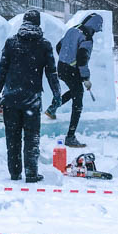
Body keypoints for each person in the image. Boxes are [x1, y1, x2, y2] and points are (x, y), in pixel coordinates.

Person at [0, 10, 62, 183]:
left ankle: (14, 173)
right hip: (32, 99)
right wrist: (57, 94)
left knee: (12, 138)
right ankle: (31, 173)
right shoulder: (44, 45)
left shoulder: (11, 43)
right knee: (32, 138)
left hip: (11, 98)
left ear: (23, 22)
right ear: (38, 24)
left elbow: (2, 70)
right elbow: (52, 72)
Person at [44, 13, 103, 148]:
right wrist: (86, 78)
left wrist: (66, 58)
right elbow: (83, 59)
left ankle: (52, 108)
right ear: (94, 27)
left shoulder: (73, 29)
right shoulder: (87, 37)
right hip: (72, 70)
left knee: (75, 90)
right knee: (78, 100)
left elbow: (59, 46)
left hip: (62, 67)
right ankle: (70, 136)